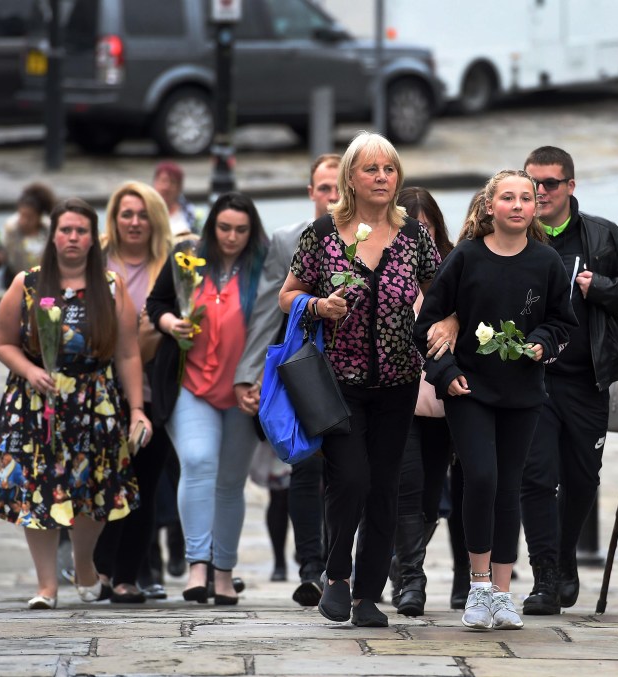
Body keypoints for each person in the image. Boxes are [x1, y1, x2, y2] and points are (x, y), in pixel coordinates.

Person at [278, 132, 443, 628]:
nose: (381, 177)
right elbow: (288, 294)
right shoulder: (324, 233)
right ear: (350, 177)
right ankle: (336, 575)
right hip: (338, 382)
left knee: (384, 487)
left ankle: (368, 593)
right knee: (351, 477)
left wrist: (448, 322)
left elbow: (441, 291)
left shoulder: (413, 236)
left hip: (398, 380)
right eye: (370, 169)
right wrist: (316, 304)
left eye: (389, 169)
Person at [415, 169, 578, 630]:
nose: (519, 205)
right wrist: (444, 373)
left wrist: (544, 342)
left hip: (523, 393)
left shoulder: (546, 262)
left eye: (526, 198)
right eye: (508, 198)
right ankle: (479, 586)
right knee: (480, 478)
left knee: (509, 486)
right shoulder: (466, 257)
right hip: (469, 390)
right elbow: (425, 322)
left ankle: (503, 594)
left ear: (535, 208)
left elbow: (562, 322)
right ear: (489, 207)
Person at [0, 197, 150, 609]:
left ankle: (83, 563)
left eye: (81, 231)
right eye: (65, 230)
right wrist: (29, 370)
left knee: (93, 491)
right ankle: (46, 586)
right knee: (37, 491)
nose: (73, 238)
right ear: (53, 236)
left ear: (93, 240)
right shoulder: (26, 283)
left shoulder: (111, 288)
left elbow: (128, 353)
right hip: (34, 402)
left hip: (92, 403)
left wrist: (136, 409)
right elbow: (4, 342)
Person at [518, 146, 618, 615]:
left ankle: (565, 554)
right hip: (532, 381)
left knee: (581, 478)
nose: (539, 192)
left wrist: (602, 288)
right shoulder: (515, 232)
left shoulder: (600, 234)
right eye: (532, 183)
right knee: (537, 478)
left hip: (586, 380)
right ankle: (545, 577)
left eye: (550, 183)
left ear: (570, 186)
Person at [146, 191, 268, 606]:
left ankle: (224, 572)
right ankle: (198, 563)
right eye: (224, 228)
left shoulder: (262, 267)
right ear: (211, 226)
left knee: (231, 483)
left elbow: (276, 326)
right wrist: (169, 322)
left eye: (241, 230)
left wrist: (261, 380)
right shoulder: (187, 256)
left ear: (251, 233)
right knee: (198, 462)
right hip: (190, 385)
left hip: (242, 390)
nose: (231, 237)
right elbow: (156, 302)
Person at [235, 153, 340, 603]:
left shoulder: (377, 235)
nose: (333, 197)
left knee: (353, 471)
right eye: (324, 188)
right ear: (311, 191)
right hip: (305, 367)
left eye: (340, 188)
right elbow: (264, 311)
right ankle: (310, 567)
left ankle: (345, 566)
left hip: (358, 369)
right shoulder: (287, 240)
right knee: (305, 463)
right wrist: (249, 374)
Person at [92, 181, 175, 604]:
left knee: (142, 485)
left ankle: (125, 576)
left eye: (143, 214)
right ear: (114, 218)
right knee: (105, 482)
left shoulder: (170, 265)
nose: (135, 222)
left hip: (154, 393)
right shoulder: (96, 260)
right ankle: (98, 566)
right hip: (100, 393)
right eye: (127, 214)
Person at [389, 186, 456, 617]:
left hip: (446, 400)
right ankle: (413, 580)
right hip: (398, 397)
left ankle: (399, 563)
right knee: (406, 488)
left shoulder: (455, 266)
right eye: (409, 227)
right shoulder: (385, 265)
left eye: (425, 227)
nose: (418, 236)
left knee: (431, 497)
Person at [0, 182, 56, 289]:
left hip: (42, 284)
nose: (24, 221)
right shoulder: (10, 229)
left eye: (29, 217)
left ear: (39, 217)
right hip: (15, 283)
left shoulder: (49, 230)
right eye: (22, 215)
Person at [152, 161, 198, 238]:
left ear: (179, 187)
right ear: (155, 183)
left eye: (172, 182)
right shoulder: (144, 210)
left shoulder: (190, 212)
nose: (166, 187)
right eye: (163, 181)